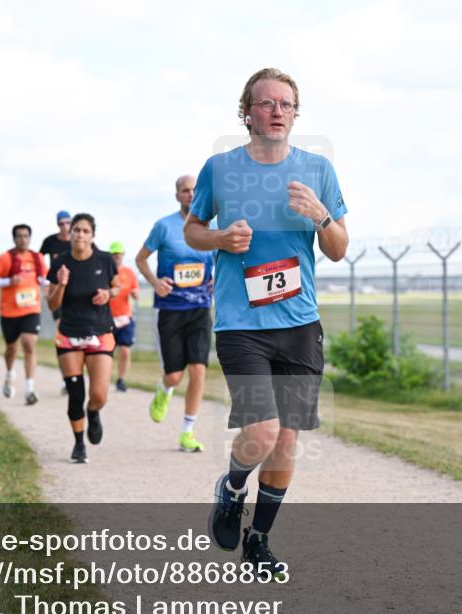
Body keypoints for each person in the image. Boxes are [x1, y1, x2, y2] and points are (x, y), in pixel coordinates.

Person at [184, 68, 348, 576]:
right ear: (247, 112)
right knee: (263, 429)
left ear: (296, 113)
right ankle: (232, 487)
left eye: (286, 104)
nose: (276, 111)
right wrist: (219, 240)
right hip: (241, 323)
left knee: (288, 439)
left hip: (300, 323)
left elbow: (339, 249)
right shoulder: (220, 168)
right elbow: (193, 230)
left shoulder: (318, 169)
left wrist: (322, 216)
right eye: (266, 103)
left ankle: (259, 541)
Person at [137, 176, 215, 452]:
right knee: (174, 375)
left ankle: (187, 431)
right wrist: (156, 283)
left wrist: (217, 279)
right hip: (171, 310)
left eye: (195, 190)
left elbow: (223, 258)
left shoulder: (213, 225)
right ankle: (164, 389)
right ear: (177, 195)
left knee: (198, 370)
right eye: (185, 190)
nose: (191, 194)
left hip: (200, 309)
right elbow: (141, 259)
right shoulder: (164, 226)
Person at [46, 213, 120, 463]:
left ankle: (93, 412)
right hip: (69, 334)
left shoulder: (105, 259)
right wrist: (62, 284)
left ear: (92, 235)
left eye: (85, 231)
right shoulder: (60, 263)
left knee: (99, 395)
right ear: (71, 234)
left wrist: (109, 294)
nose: (80, 234)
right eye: (76, 230)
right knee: (75, 393)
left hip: (100, 332)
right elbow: (51, 303)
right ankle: (79, 444)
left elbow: (117, 285)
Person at [0, 224, 48, 405]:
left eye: (26, 236)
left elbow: (44, 279)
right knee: (11, 348)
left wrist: (52, 285)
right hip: (9, 311)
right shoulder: (6, 258)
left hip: (31, 309)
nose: (23, 239)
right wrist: (8, 281)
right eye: (19, 236)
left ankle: (30, 388)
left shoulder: (37, 258)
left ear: (30, 238)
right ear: (14, 239)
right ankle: (9, 373)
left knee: (29, 344)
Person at [41, 210, 74, 395]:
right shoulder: (50, 242)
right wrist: (46, 282)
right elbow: (38, 259)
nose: (65, 226)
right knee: (63, 332)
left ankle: (74, 373)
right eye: (61, 223)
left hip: (77, 294)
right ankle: (66, 377)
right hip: (57, 293)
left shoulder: (77, 241)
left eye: (67, 222)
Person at [108, 241, 140, 393]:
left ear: (123, 255)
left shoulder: (129, 272)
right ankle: (104, 377)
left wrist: (135, 294)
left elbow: (136, 291)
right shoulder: (106, 271)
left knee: (126, 350)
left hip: (125, 317)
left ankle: (121, 379)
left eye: (119, 254)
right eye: (114, 254)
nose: (117, 256)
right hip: (107, 318)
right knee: (107, 352)